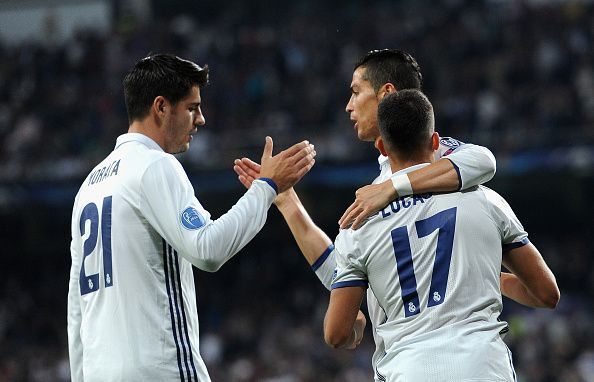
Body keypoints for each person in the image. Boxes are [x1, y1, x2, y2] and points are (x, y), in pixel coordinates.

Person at [233, 49, 500, 378]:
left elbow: (485, 161)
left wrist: (393, 187)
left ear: (386, 93)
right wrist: (288, 202)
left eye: (356, 92)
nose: (348, 105)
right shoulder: (376, 188)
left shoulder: (438, 156)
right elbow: (347, 270)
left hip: (418, 360)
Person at [67, 54, 316, 382]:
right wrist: (267, 188)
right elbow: (207, 249)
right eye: (191, 107)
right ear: (161, 107)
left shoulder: (89, 186)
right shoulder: (154, 165)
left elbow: (76, 309)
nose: (201, 119)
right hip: (161, 371)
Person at [324, 89, 560, 380]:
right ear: (436, 141)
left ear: (382, 147)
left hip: (408, 369)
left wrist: (356, 328)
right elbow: (547, 294)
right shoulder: (486, 199)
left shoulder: (359, 223)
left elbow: (336, 334)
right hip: (484, 367)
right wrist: (489, 277)